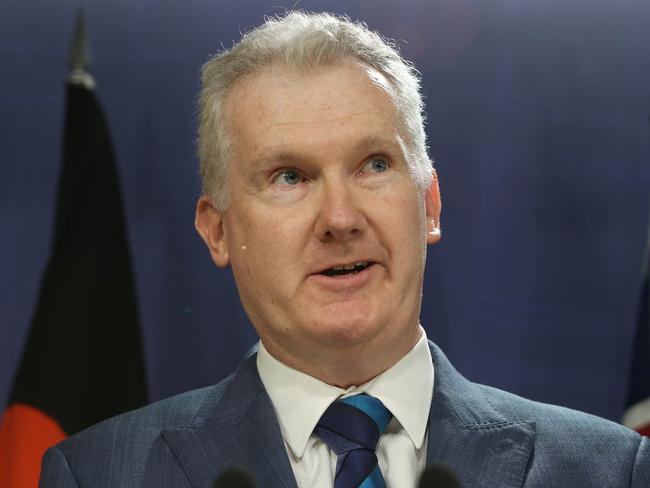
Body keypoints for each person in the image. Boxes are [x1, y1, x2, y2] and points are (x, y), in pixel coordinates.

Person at [40, 11, 649, 488]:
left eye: (374, 165)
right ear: (218, 230)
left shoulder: (607, 470)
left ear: (430, 204)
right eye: (289, 177)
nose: (339, 218)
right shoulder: (98, 473)